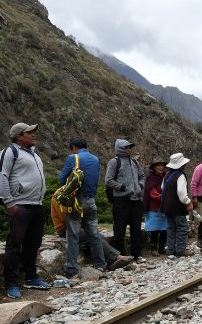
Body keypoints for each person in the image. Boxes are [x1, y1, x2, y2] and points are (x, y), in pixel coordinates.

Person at [0, 123, 49, 298]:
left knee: (33, 244)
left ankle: (31, 277)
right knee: (14, 246)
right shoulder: (10, 152)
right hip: (20, 206)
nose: (33, 134)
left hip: (36, 205)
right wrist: (9, 203)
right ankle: (11, 283)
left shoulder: (34, 154)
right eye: (30, 132)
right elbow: (2, 176)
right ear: (19, 136)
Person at [60, 139, 106, 277]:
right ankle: (101, 264)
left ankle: (72, 268)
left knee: (72, 236)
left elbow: (63, 179)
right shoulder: (96, 159)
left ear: (73, 147)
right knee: (94, 234)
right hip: (91, 201)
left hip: (76, 202)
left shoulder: (73, 158)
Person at [51, 195, 134, 270]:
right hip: (65, 229)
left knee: (99, 237)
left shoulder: (78, 194)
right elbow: (65, 219)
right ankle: (116, 257)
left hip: (79, 226)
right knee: (93, 236)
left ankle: (110, 262)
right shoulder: (59, 196)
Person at [105, 139, 146, 260]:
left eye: (130, 147)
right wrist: (123, 187)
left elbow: (142, 176)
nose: (130, 149)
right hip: (121, 201)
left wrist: (140, 186)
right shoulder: (114, 162)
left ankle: (137, 254)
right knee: (119, 230)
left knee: (136, 229)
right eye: (127, 147)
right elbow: (108, 180)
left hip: (136, 200)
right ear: (121, 148)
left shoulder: (134, 162)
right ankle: (118, 257)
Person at [161, 153, 194, 257]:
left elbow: (162, 187)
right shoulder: (180, 175)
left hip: (166, 206)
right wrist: (188, 202)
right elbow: (181, 193)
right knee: (182, 227)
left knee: (171, 228)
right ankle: (180, 249)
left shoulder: (167, 174)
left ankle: (170, 250)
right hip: (177, 207)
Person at [143, 159, 168, 256]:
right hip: (154, 207)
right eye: (158, 166)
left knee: (164, 229)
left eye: (162, 166)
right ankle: (153, 248)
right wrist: (164, 197)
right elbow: (152, 193)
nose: (161, 167)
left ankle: (162, 248)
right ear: (154, 167)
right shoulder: (151, 178)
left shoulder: (166, 177)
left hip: (165, 207)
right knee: (154, 229)